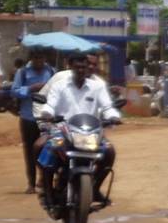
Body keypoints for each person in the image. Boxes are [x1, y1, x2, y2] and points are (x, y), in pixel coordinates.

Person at [42, 52, 120, 206]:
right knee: (44, 149)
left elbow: (107, 106)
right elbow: (51, 104)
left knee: (110, 152)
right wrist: (47, 113)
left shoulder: (97, 86)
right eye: (77, 67)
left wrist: (113, 116)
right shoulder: (60, 85)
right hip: (62, 131)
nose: (81, 70)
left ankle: (94, 188)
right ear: (70, 66)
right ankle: (48, 191)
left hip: (90, 133)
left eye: (84, 67)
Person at [12, 48, 57, 194]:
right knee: (29, 151)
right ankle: (31, 183)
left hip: (46, 118)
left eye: (41, 57)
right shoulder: (23, 72)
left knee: (48, 149)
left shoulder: (51, 72)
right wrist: (31, 88)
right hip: (28, 117)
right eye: (36, 57)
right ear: (31, 57)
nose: (39, 61)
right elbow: (14, 91)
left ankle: (45, 178)